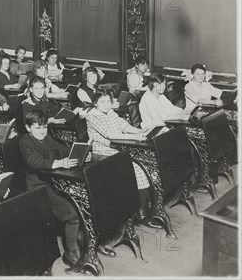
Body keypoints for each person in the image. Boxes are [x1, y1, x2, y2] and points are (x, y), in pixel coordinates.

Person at [19, 110, 81, 267]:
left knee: (81, 203)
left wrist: (79, 152)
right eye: (37, 128)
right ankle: (70, 252)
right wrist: (58, 163)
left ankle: (75, 238)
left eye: (45, 127)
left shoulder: (46, 137)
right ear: (28, 128)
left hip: (55, 182)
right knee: (72, 213)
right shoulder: (25, 141)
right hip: (38, 186)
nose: (42, 131)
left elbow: (60, 148)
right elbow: (34, 162)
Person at [86, 92, 153, 223]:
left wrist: (140, 131)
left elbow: (124, 126)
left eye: (107, 101)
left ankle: (142, 209)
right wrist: (135, 137)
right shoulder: (91, 116)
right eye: (102, 102)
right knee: (137, 171)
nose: (106, 105)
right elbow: (110, 135)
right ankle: (139, 213)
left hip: (117, 150)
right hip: (102, 153)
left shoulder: (110, 112)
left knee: (142, 169)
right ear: (95, 103)